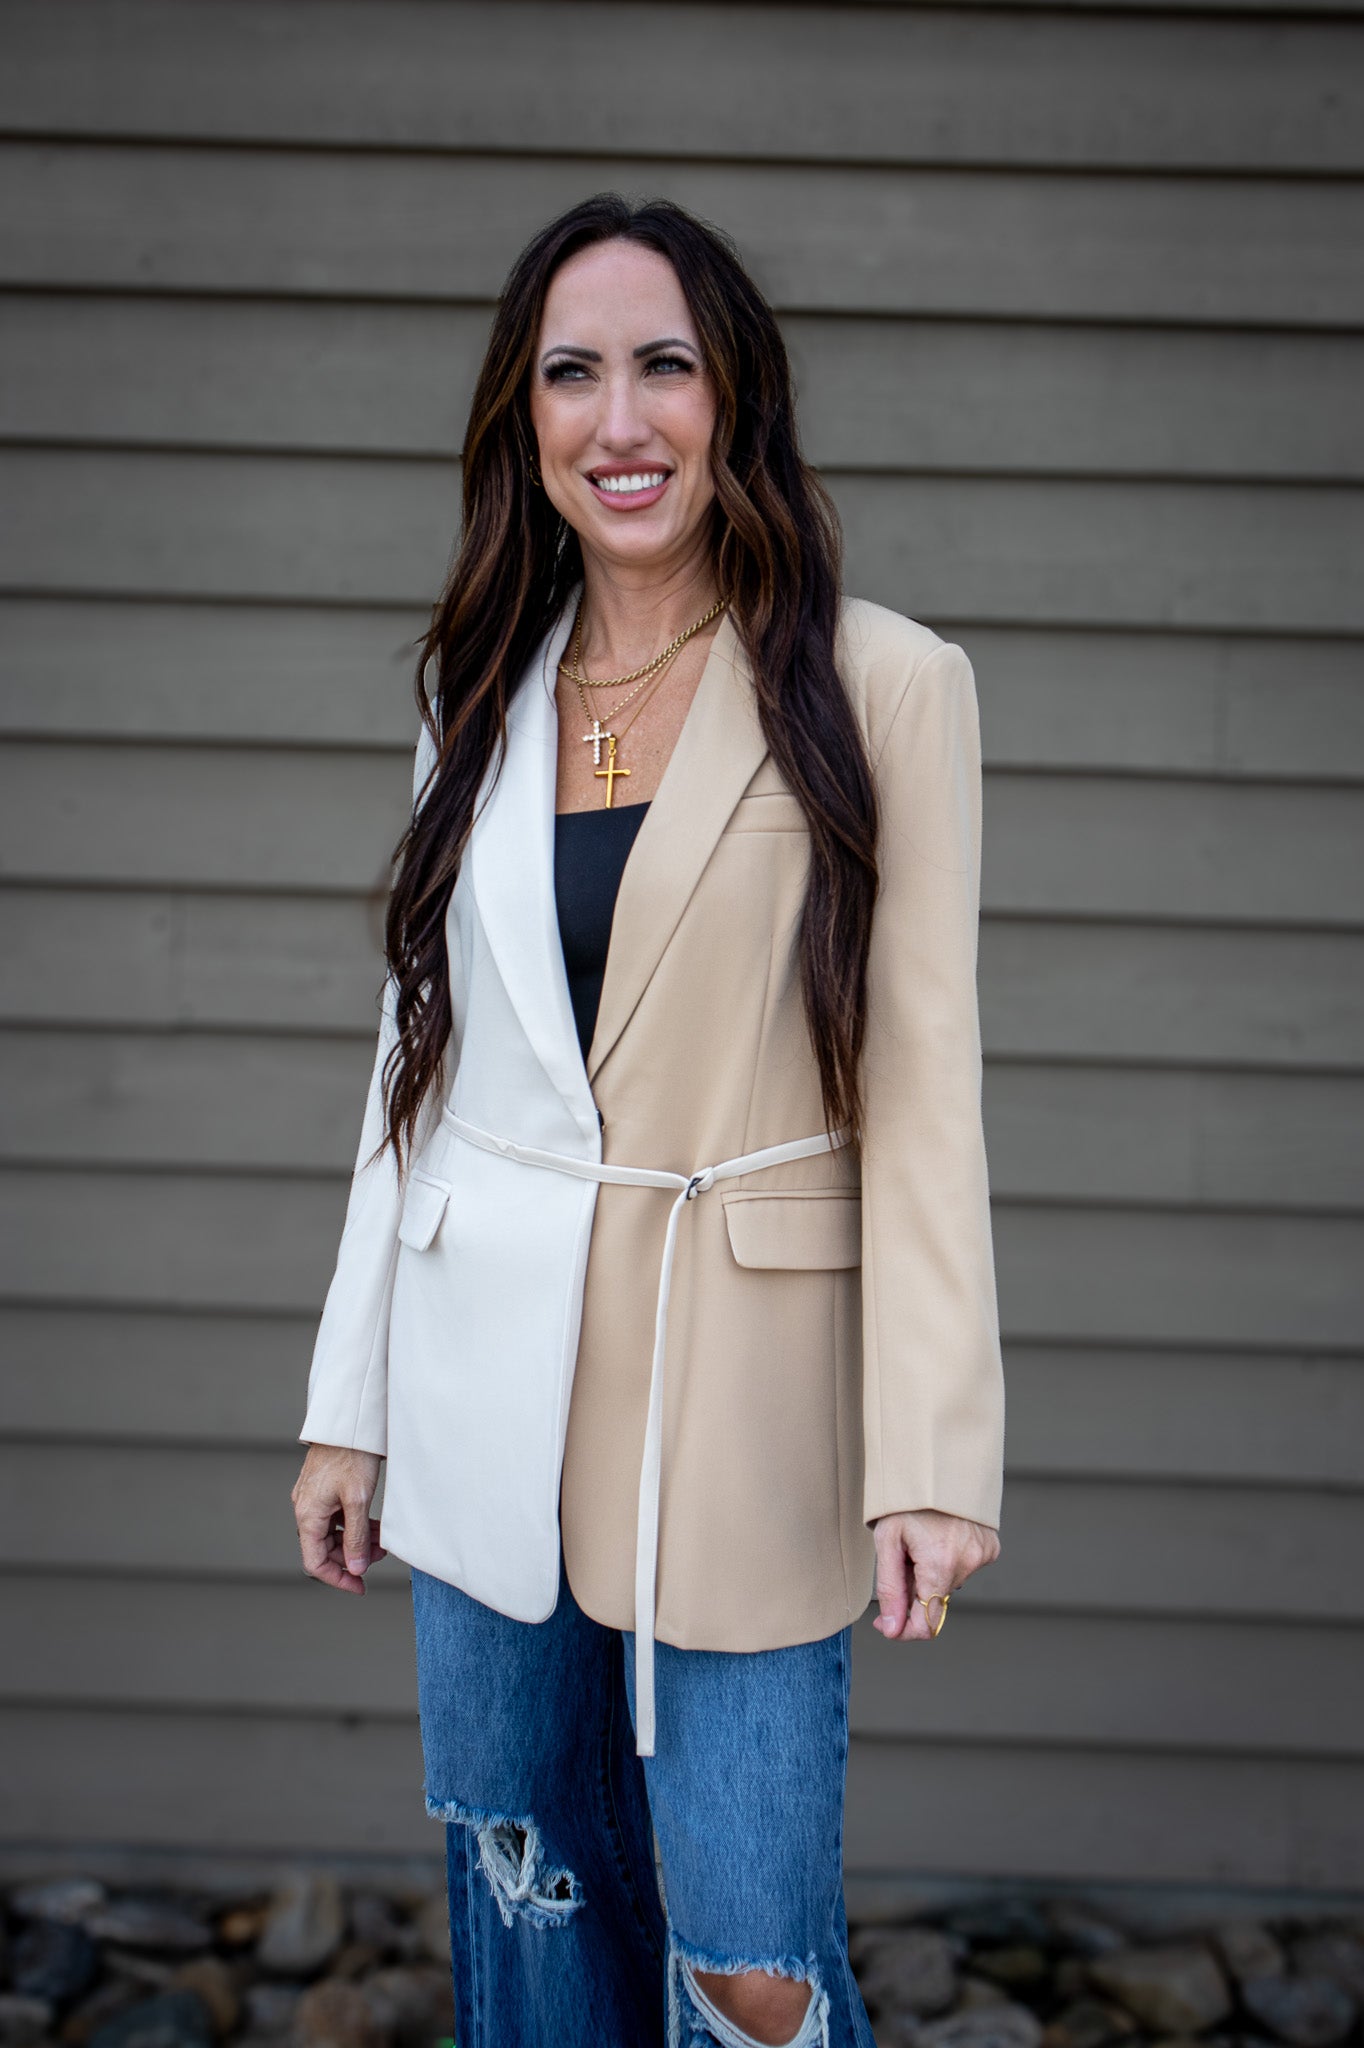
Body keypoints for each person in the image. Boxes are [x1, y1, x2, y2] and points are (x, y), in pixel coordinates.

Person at [291, 192, 1005, 2048]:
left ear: (732, 398)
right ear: (524, 428)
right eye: (573, 373)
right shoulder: (476, 701)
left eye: (664, 366)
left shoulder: (882, 682)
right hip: (483, 1386)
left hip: (740, 1383)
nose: (622, 419)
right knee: (533, 1902)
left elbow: (921, 1076)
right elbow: (412, 1069)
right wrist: (346, 1405)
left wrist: (929, 1450)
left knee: (749, 1957)